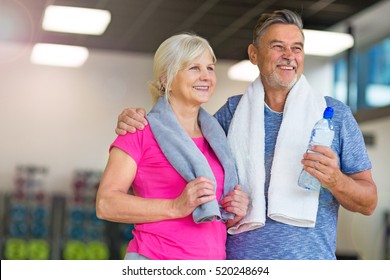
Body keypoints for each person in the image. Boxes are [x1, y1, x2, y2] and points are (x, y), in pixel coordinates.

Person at [114, 9, 377, 260]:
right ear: (254, 54)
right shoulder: (231, 113)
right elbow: (179, 142)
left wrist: (335, 180)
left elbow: (368, 202)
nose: (289, 55)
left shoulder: (333, 115)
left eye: (297, 48)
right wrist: (138, 119)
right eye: (277, 46)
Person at [96, 33, 249, 260]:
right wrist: (176, 206)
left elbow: (216, 215)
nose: (206, 76)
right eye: (194, 68)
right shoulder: (139, 130)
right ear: (166, 79)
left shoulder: (218, 139)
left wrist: (235, 210)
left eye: (210, 68)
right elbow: (106, 203)